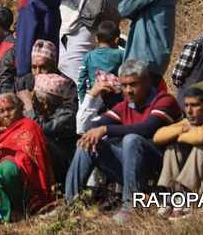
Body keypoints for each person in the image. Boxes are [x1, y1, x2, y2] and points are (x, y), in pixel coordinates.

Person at [64, 59, 181, 221]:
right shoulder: (126, 105)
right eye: (124, 86)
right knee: (89, 142)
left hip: (159, 170)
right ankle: (70, 204)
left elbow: (147, 128)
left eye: (133, 84)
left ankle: (130, 207)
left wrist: (106, 129)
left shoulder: (164, 100)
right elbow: (95, 124)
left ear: (146, 82)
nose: (128, 91)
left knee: (132, 139)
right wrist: (96, 129)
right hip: (133, 169)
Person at [0, 92, 54, 223]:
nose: (6, 114)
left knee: (6, 169)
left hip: (24, 180)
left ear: (19, 108)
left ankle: (14, 212)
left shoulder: (28, 126)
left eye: (10, 109)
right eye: (1, 111)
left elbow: (25, 159)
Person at [153, 86, 203, 209]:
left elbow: (201, 137)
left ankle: (186, 197)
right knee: (173, 148)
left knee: (202, 148)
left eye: (195, 105)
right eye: (186, 105)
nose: (189, 111)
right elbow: (158, 137)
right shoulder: (188, 122)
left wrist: (180, 136)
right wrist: (182, 129)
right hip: (198, 186)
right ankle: (173, 197)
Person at [13, 0, 60, 79]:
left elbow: (25, 37)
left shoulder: (29, 3)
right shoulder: (53, 0)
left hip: (34, 67)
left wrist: (22, 74)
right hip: (50, 62)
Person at [26, 73, 78, 179]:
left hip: (63, 164)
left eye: (35, 100)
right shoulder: (44, 113)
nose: (34, 103)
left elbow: (39, 129)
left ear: (44, 103)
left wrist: (29, 108)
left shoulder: (66, 115)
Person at [75, 21, 125, 99]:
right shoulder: (121, 54)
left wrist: (83, 101)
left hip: (95, 97)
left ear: (96, 39)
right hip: (116, 99)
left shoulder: (89, 56)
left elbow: (81, 81)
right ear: (117, 40)